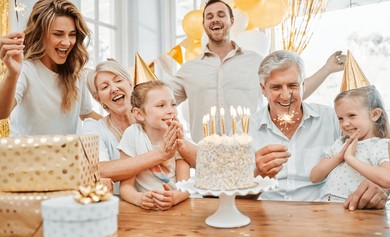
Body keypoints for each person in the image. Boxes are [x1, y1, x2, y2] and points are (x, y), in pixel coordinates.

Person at [169, 0, 345, 143]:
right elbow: (159, 101)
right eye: (209, 16)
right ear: (204, 24)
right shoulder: (189, 69)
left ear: (231, 21)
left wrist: (327, 69)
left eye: (221, 15)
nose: (215, 19)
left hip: (253, 154)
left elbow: (289, 95)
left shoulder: (256, 61)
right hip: (205, 156)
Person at [251, 50, 389, 210]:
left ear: (303, 86)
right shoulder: (247, 129)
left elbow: (375, 147)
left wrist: (382, 187)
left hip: (323, 215)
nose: (285, 95)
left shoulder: (334, 119)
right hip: (266, 215)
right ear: (263, 89)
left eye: (292, 86)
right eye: (276, 87)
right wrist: (258, 175)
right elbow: (236, 193)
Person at [83, 59, 195, 194]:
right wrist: (161, 154)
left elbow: (201, 164)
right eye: (105, 87)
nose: (114, 89)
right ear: (98, 98)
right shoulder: (94, 128)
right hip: (125, 205)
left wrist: (179, 141)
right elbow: (98, 171)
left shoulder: (159, 122)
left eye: (118, 80)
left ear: (130, 84)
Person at [0, 0, 101, 136]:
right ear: (40, 35)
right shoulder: (27, 69)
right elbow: (1, 112)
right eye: (58, 34)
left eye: (72, 34)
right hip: (26, 155)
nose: (66, 42)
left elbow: (87, 113)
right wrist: (12, 73)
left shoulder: (76, 72)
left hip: (65, 155)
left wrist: (124, 125)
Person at [118, 81, 190, 210]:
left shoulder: (177, 135)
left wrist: (174, 197)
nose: (170, 111)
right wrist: (139, 199)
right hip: (145, 210)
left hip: (177, 207)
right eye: (161, 105)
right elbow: (125, 187)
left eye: (173, 104)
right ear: (139, 114)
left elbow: (185, 186)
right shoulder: (133, 135)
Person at [310, 86, 390, 202]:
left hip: (355, 210)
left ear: (375, 114)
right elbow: (315, 177)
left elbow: (387, 178)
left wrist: (350, 159)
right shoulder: (340, 143)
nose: (345, 123)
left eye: (351, 115)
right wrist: (339, 156)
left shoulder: (379, 146)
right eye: (340, 118)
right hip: (325, 206)